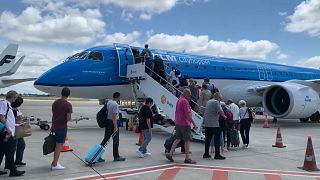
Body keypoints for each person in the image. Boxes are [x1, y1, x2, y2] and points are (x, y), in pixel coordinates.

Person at [166, 89, 197, 164]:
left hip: (178, 122)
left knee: (177, 138)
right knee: (187, 140)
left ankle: (170, 154)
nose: (190, 96)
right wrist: (193, 123)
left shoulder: (179, 100)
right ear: (186, 94)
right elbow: (187, 114)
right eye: (189, 94)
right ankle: (187, 158)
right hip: (185, 123)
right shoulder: (185, 101)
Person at [0, 90, 25, 177]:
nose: (16, 99)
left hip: (7, 131)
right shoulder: (4, 104)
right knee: (9, 151)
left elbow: (7, 118)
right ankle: (13, 171)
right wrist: (8, 129)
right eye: (16, 97)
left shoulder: (8, 105)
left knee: (3, 151)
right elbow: (1, 116)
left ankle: (12, 169)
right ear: (13, 97)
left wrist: (15, 124)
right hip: (7, 132)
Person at [99, 92, 126, 162]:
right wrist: (115, 127)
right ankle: (116, 156)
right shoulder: (115, 105)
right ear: (119, 97)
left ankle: (98, 155)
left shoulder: (109, 102)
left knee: (105, 140)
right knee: (116, 140)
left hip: (108, 122)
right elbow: (114, 116)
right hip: (112, 123)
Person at [51, 87, 73, 170]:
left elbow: (53, 115)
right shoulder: (68, 104)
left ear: (61, 93)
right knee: (59, 145)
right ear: (68, 94)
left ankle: (55, 161)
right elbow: (68, 118)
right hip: (62, 127)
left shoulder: (55, 103)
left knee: (56, 145)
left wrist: (52, 125)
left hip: (55, 125)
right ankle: (55, 164)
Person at [203, 92, 226, 160]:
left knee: (208, 139)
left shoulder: (208, 101)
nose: (220, 100)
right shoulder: (216, 102)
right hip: (215, 124)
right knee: (217, 139)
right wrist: (224, 116)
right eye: (220, 98)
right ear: (218, 97)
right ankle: (217, 154)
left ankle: (206, 153)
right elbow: (220, 111)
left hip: (207, 123)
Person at [11, 96, 26, 166]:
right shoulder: (12, 110)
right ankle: (9, 164)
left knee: (21, 145)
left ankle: (18, 161)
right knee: (12, 148)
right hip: (13, 130)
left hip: (17, 130)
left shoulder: (15, 109)